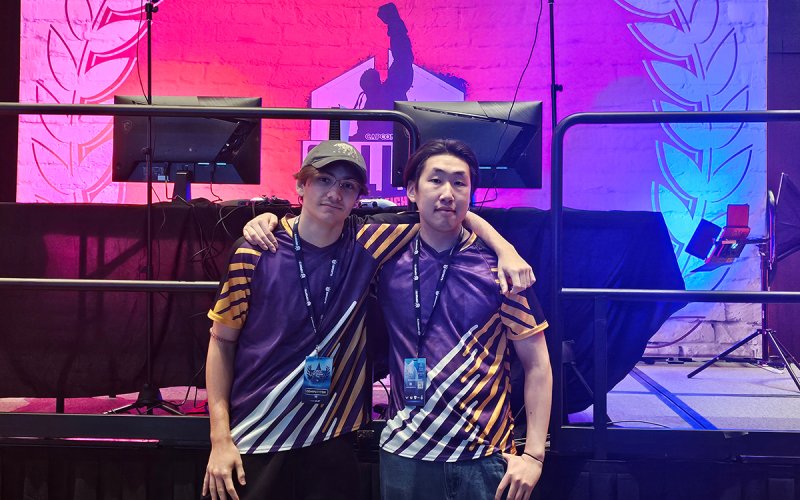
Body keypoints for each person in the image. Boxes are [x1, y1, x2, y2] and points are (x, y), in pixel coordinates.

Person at [203, 140, 534, 500]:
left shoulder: (368, 241)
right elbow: (221, 343)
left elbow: (448, 210)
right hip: (255, 435)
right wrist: (220, 439)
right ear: (300, 185)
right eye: (323, 180)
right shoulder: (255, 249)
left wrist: (505, 248)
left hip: (331, 439)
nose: (334, 193)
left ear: (358, 197)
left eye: (347, 186)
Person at [376, 139, 552, 500]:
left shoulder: (502, 271)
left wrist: (534, 455)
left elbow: (537, 365)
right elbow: (324, 225)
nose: (447, 193)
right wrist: (269, 221)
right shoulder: (385, 255)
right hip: (403, 455)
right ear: (411, 190)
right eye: (435, 180)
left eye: (459, 183)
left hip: (483, 460)